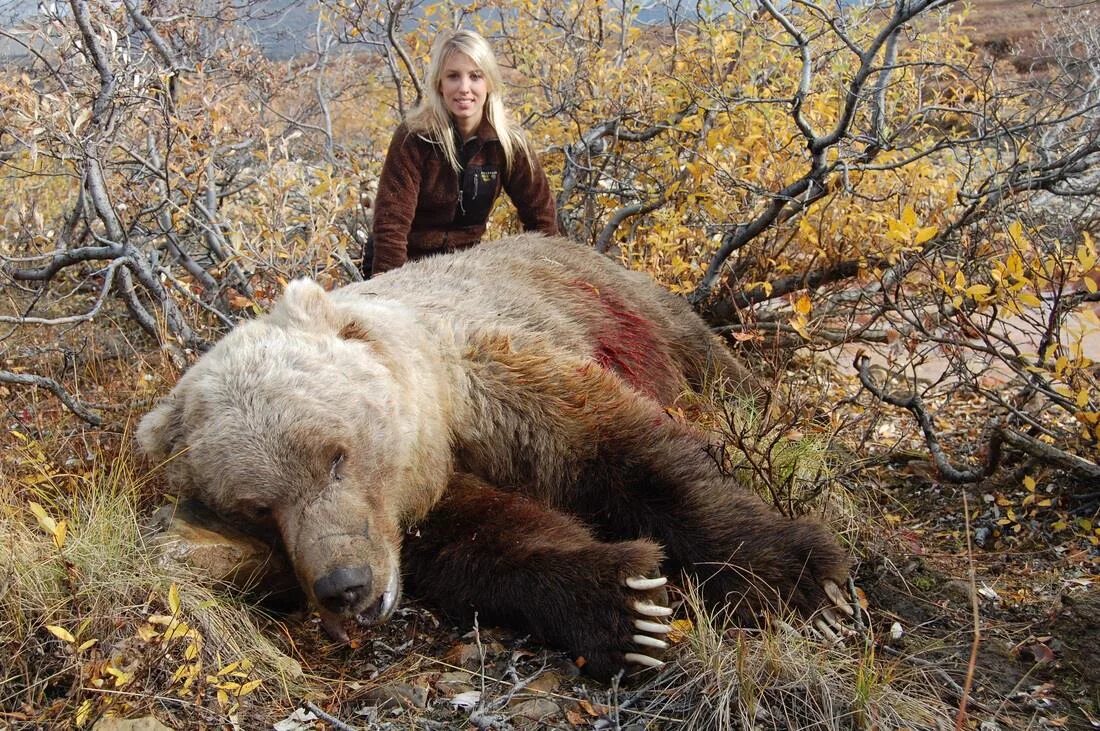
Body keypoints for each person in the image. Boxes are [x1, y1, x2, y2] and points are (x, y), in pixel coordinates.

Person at [366, 29, 558, 277]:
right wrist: (388, 291)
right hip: (405, 266)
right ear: (440, 83)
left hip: (466, 267)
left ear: (489, 83)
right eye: (453, 76)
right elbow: (391, 225)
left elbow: (542, 218)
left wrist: (552, 277)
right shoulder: (414, 137)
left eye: (475, 76)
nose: (464, 88)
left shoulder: (509, 142)